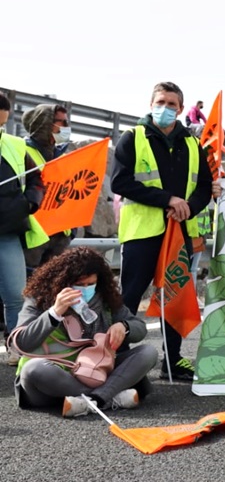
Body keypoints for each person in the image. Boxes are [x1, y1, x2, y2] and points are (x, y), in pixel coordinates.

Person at [111, 82, 213, 381]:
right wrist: (167, 200)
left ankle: (173, 359)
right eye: (160, 101)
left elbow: (204, 186)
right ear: (151, 103)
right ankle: (118, 355)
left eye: (171, 104)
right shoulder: (132, 138)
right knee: (129, 296)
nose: (165, 108)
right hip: (143, 232)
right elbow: (120, 182)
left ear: (181, 109)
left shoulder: (193, 144)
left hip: (180, 231)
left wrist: (188, 207)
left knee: (175, 295)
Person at [8, 247, 158, 417]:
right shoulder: (39, 298)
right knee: (33, 369)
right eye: (79, 285)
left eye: (90, 284)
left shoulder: (106, 298)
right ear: (62, 281)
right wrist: (54, 313)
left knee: (148, 352)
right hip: (55, 379)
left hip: (97, 370)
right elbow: (20, 343)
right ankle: (109, 397)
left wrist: (124, 326)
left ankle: (92, 400)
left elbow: (139, 327)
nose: (85, 289)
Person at [1, 93, 45, 363]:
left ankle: (16, 348)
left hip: (7, 233)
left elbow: (37, 178)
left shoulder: (16, 145)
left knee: (16, 296)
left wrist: (30, 203)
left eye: (2, 124)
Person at [20, 104, 72, 274]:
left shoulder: (63, 156)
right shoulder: (22, 151)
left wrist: (71, 231)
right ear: (45, 124)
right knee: (26, 290)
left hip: (59, 235)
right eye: (61, 123)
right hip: (32, 235)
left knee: (51, 290)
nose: (66, 127)